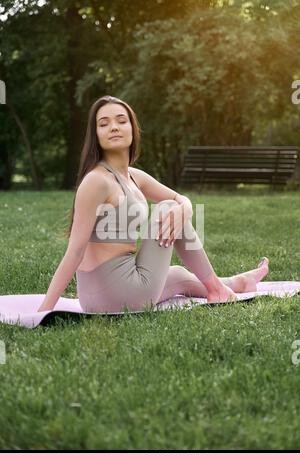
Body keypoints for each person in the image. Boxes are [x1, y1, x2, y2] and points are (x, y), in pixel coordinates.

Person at [37, 96, 269, 313]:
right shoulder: (97, 180)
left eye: (121, 120)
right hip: (117, 293)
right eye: (104, 123)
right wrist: (44, 312)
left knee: (178, 273)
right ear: (95, 134)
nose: (114, 127)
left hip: (116, 290)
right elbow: (75, 251)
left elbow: (181, 199)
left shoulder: (134, 176)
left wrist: (185, 209)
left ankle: (239, 282)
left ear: (132, 129)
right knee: (169, 209)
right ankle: (217, 290)